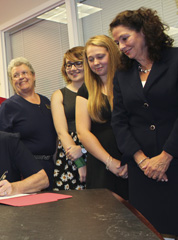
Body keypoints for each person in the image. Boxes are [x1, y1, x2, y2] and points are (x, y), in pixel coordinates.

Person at [110, 7, 178, 237]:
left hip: (174, 159)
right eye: (116, 42)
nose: (121, 46)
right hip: (143, 169)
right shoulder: (122, 74)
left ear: (144, 32)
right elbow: (119, 120)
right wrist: (142, 161)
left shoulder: (175, 59)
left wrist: (166, 156)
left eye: (124, 38)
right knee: (147, 230)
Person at [75, 35, 128, 200]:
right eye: (91, 59)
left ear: (111, 54)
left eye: (100, 57)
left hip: (131, 158)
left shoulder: (128, 81)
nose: (96, 63)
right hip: (100, 162)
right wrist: (110, 162)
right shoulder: (86, 90)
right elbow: (83, 132)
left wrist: (135, 160)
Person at [0, 57, 57, 190]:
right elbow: (1, 144)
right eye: (15, 76)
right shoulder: (8, 107)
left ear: (33, 76)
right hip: (25, 170)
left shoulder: (46, 102)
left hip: (51, 167)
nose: (21, 77)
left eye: (24, 73)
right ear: (12, 82)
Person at [51, 47, 86, 191]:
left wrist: (85, 150)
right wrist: (80, 163)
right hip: (71, 155)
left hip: (96, 150)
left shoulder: (98, 91)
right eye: (69, 65)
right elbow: (62, 133)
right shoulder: (59, 95)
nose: (73, 68)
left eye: (78, 63)